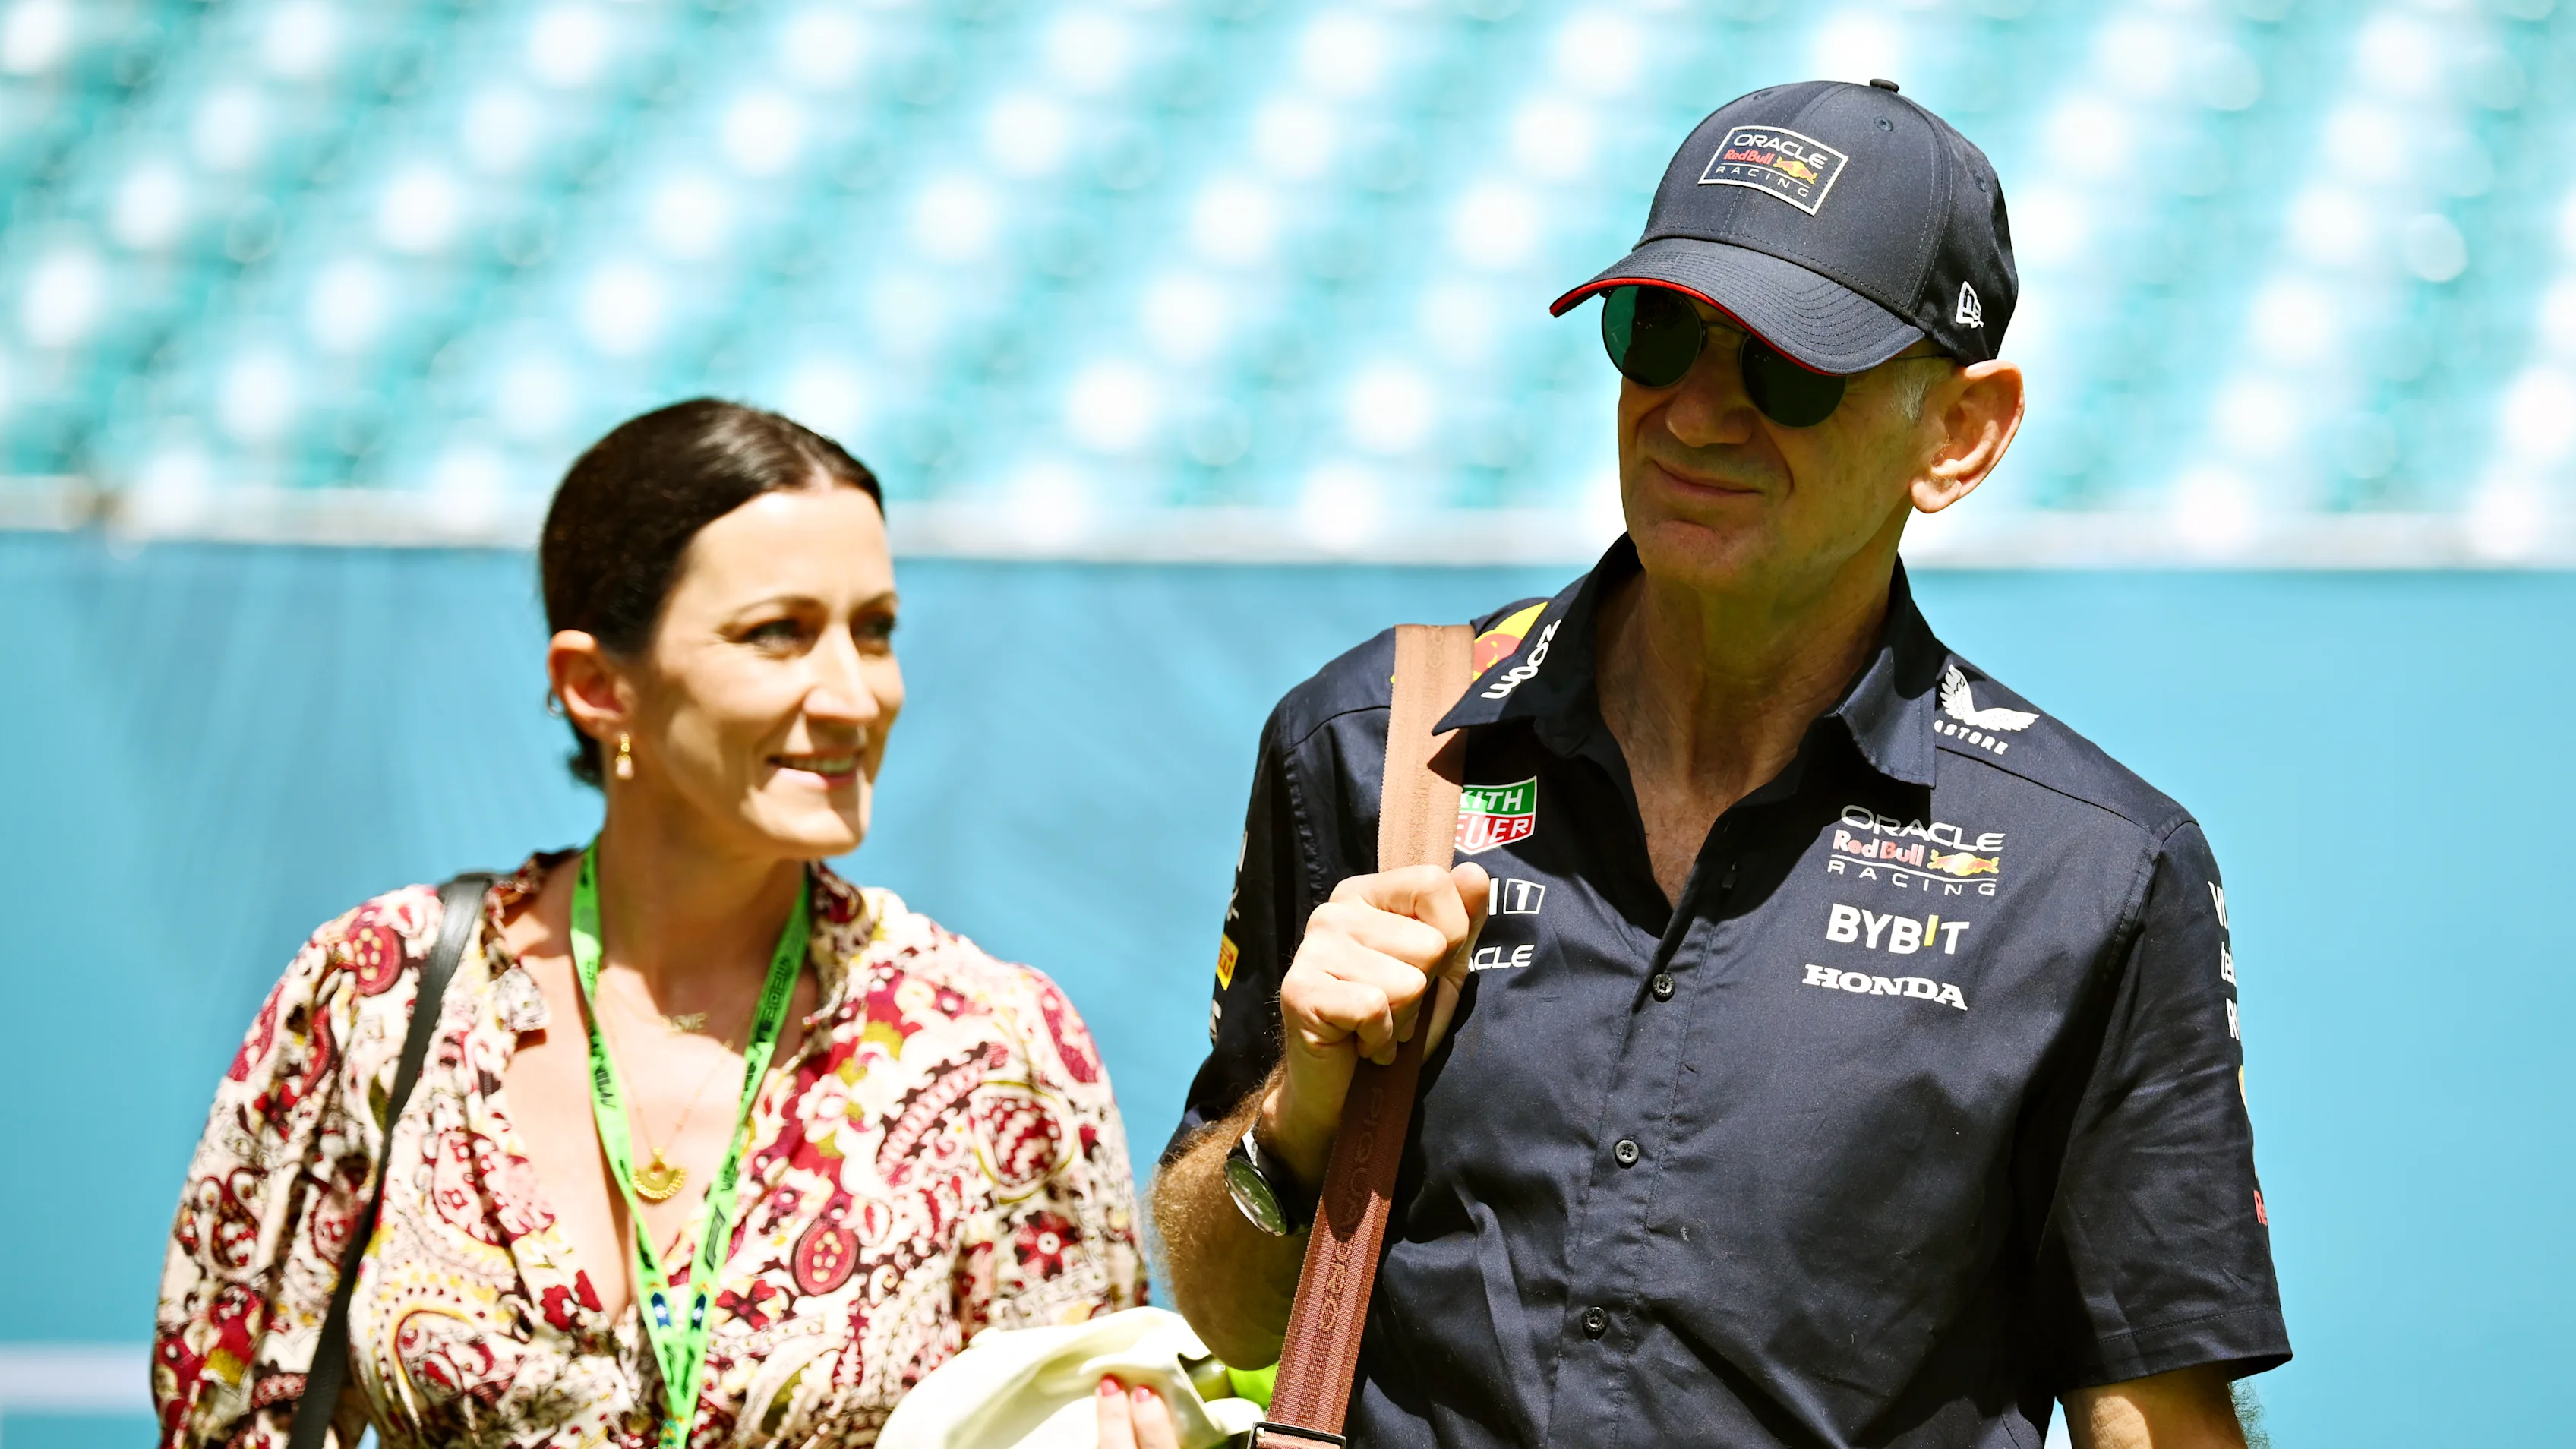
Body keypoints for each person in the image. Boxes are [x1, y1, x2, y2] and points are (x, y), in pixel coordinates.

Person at [1155, 80, 2288, 1449]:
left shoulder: (2100, 872)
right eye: (1659, 334)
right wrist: (1302, 1110)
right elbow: (1226, 1311)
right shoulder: (1377, 741)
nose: (1694, 416)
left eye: (1789, 366)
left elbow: (2152, 1414)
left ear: (1963, 434)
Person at [155, 400, 1149, 1448]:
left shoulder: (994, 1045)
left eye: (876, 630)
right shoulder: (378, 991)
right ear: (596, 686)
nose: (857, 696)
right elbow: (226, 1419)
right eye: (779, 634)